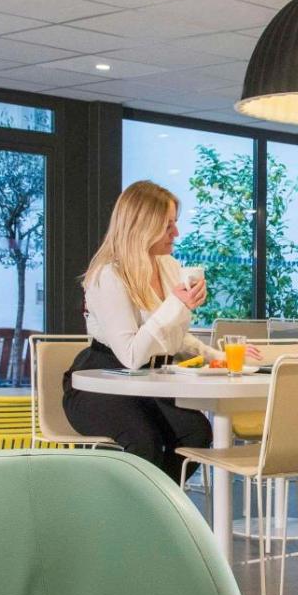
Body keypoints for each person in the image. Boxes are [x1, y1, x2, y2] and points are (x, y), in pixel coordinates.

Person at [63, 180, 221, 482]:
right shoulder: (108, 275)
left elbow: (173, 338)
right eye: (168, 225)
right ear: (143, 226)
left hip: (150, 382)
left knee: (196, 432)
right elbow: (132, 355)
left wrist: (216, 356)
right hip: (102, 380)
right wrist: (176, 304)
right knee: (144, 441)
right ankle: (142, 505)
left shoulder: (168, 266)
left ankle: (156, 502)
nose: (176, 233)